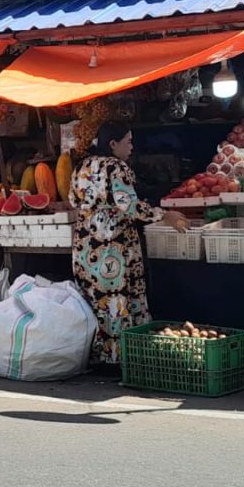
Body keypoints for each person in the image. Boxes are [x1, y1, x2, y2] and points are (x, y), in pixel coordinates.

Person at [68, 123, 188, 366]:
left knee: (94, 300)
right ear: (113, 144)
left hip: (85, 246)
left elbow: (73, 200)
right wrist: (165, 215)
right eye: (128, 141)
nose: (132, 147)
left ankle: (95, 355)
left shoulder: (81, 166)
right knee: (117, 300)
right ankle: (119, 358)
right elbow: (130, 206)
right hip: (113, 248)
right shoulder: (116, 167)